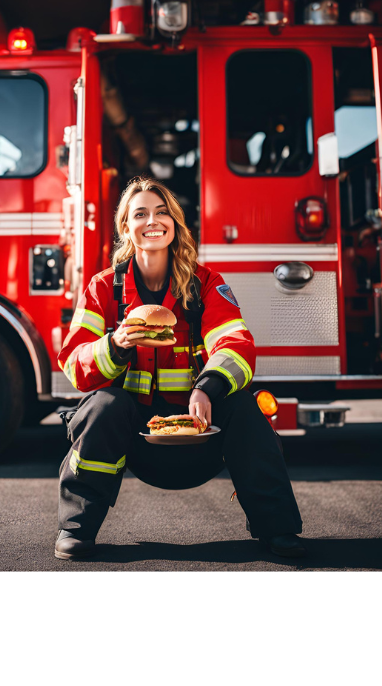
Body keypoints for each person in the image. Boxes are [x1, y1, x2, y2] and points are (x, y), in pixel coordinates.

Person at [55, 177, 305, 560]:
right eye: (140, 214)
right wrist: (117, 343)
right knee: (102, 406)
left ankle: (278, 530)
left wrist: (207, 387)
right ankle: (76, 530)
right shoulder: (103, 287)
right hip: (136, 441)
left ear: (175, 223)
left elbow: (236, 345)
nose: (152, 220)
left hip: (201, 435)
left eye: (162, 212)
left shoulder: (205, 284)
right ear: (126, 227)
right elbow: (75, 364)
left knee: (245, 406)